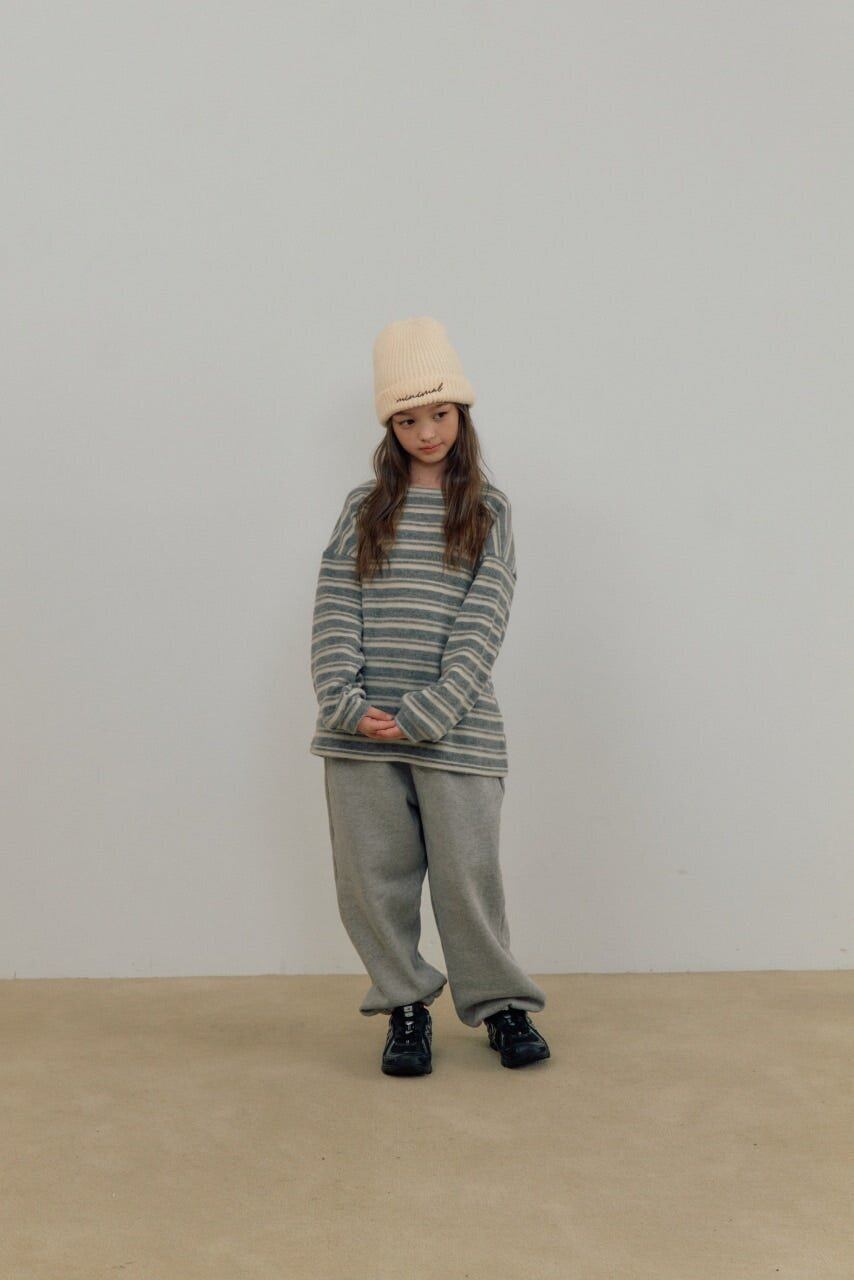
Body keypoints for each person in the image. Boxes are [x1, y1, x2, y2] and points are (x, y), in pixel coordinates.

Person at [309, 316, 550, 1076]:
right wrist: (345, 702)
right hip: (360, 734)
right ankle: (405, 1006)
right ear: (390, 427)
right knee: (371, 883)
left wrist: (431, 711)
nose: (426, 432)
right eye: (408, 420)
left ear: (461, 413)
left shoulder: (488, 511)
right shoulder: (363, 509)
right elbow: (335, 604)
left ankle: (502, 1006)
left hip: (457, 733)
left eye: (439, 414)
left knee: (467, 879)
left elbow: (485, 618)